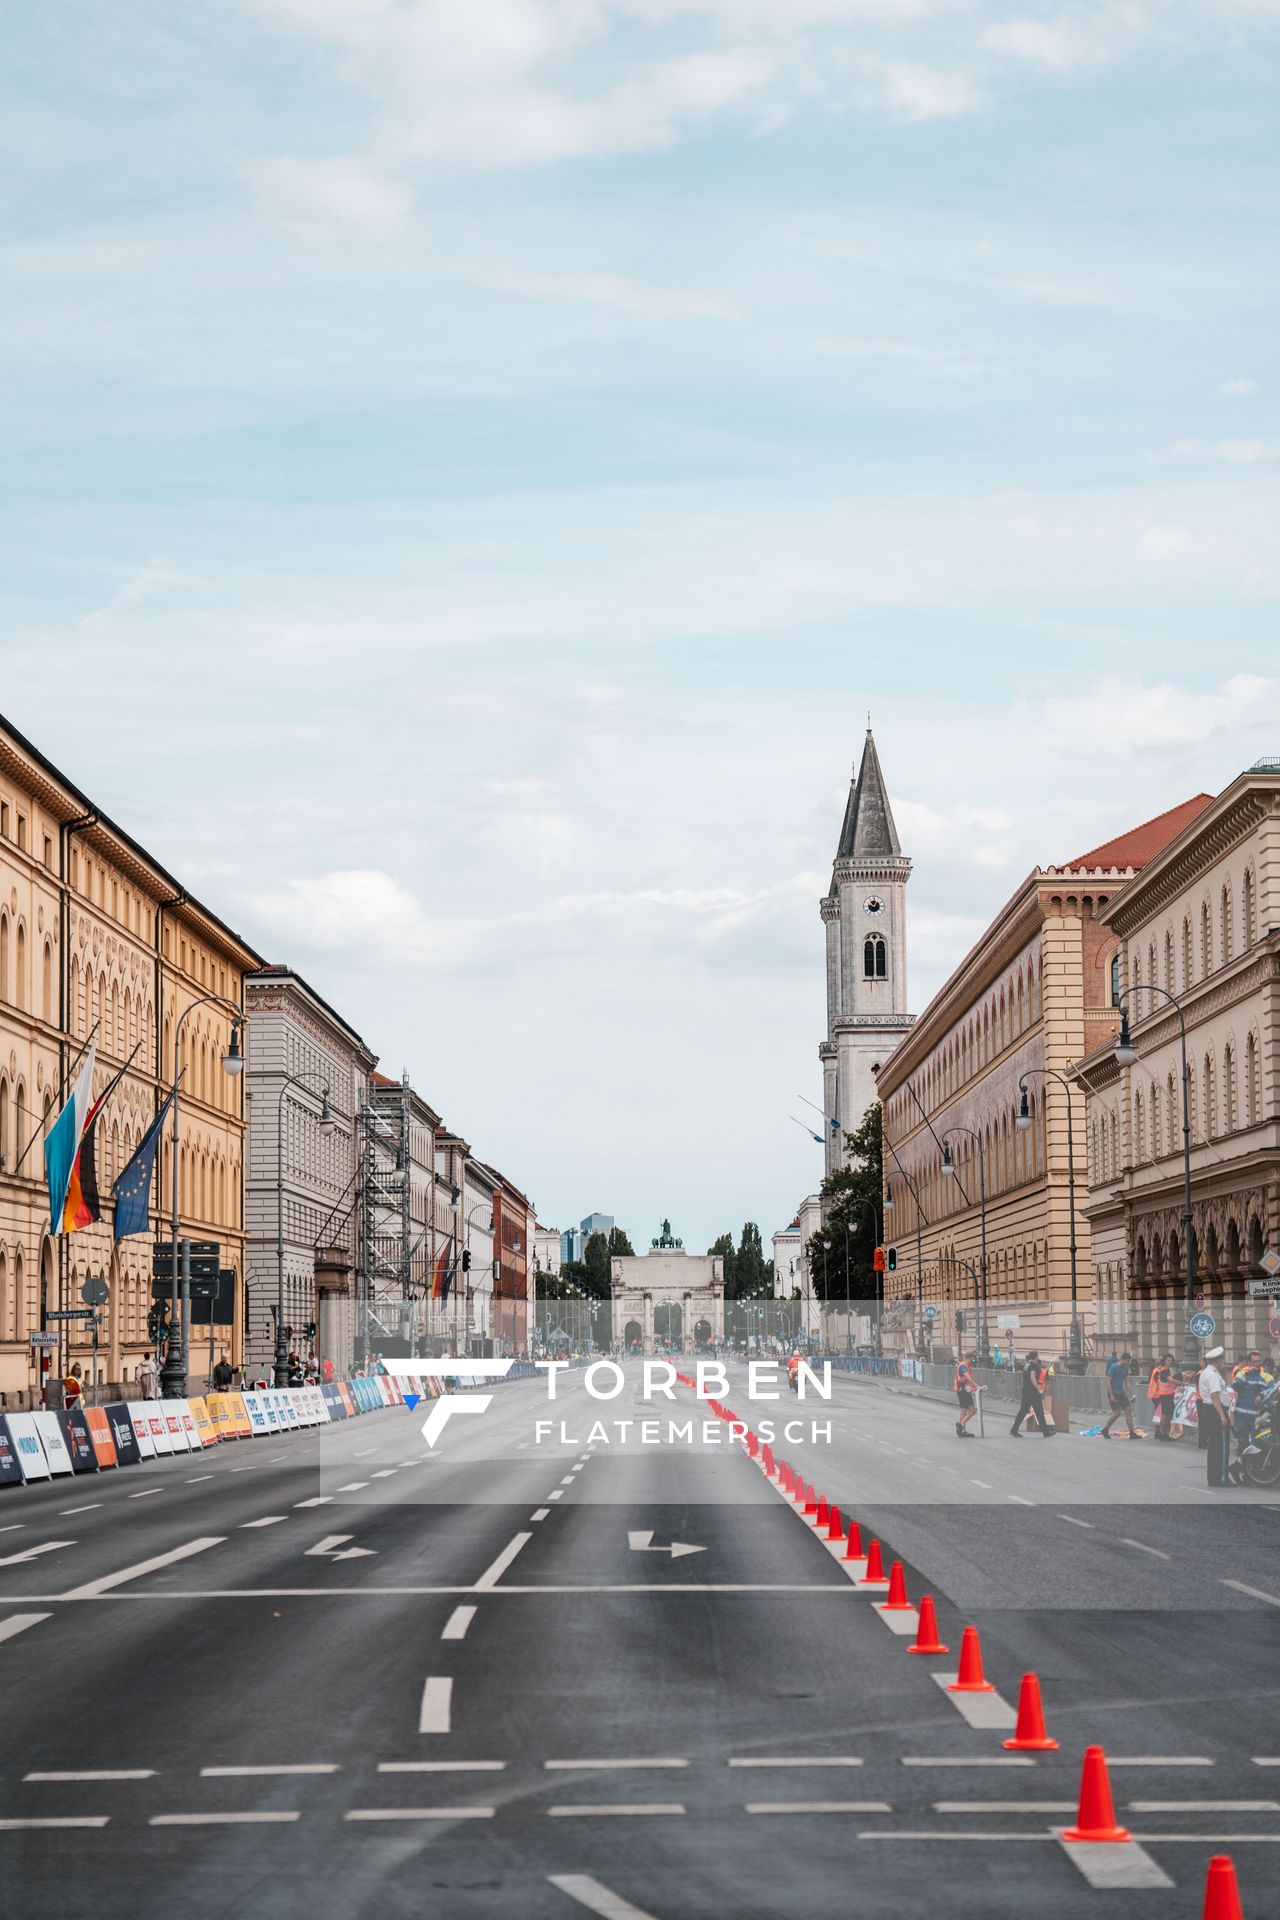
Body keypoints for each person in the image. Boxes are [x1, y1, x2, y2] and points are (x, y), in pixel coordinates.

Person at [1198, 1346, 1233, 1488]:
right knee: (1222, 1447)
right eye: (1222, 1359)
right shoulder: (1213, 1374)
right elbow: (1214, 1396)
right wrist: (1222, 1416)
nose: (1223, 1362)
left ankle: (1213, 1478)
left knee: (1214, 1447)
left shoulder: (1206, 1372)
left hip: (1209, 1410)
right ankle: (1222, 1478)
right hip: (1215, 1410)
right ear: (1218, 1360)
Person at [1011, 1350, 1051, 1437]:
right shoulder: (1033, 1366)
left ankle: (1014, 1429)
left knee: (1023, 1411)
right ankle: (1046, 1432)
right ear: (1036, 1357)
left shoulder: (1026, 1365)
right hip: (1033, 1392)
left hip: (1026, 1391)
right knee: (1039, 1412)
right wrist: (1039, 1389)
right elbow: (1033, 1379)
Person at [1101, 1350, 1138, 1439]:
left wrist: (1132, 1393)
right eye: (1128, 1361)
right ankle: (1105, 1429)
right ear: (1124, 1359)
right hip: (1113, 1393)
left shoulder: (1125, 1368)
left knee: (1128, 1410)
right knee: (1117, 1412)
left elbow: (1127, 1382)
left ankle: (1132, 1432)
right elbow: (1108, 1382)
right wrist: (1111, 1395)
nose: (1129, 1363)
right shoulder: (1114, 1367)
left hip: (1121, 1393)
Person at [1148, 1353, 1177, 1440]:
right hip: (1158, 1394)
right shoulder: (1159, 1371)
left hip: (1162, 1394)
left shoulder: (1164, 1370)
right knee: (1163, 1414)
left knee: (1163, 1414)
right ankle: (1161, 1432)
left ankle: (1161, 1433)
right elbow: (1161, 1382)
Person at [954, 1356, 978, 1437]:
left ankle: (962, 1431)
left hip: (963, 1390)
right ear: (969, 1358)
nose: (973, 1361)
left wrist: (976, 1385)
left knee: (963, 1410)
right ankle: (960, 1424)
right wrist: (975, 1386)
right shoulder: (963, 1365)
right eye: (973, 1359)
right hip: (963, 1390)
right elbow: (968, 1376)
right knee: (973, 1410)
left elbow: (972, 1376)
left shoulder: (966, 1366)